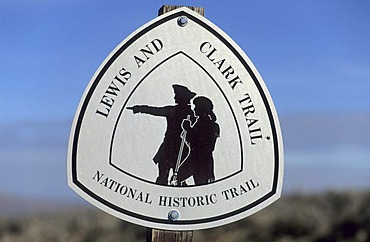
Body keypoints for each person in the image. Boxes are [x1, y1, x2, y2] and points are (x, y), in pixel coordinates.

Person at [128, 85, 196, 185]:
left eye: (176, 95)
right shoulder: (182, 111)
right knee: (166, 174)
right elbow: (155, 110)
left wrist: (139, 108)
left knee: (177, 177)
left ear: (182, 97)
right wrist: (139, 108)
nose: (174, 97)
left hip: (177, 146)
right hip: (169, 146)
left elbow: (155, 111)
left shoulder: (186, 113)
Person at [177, 96, 220, 185]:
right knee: (177, 179)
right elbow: (192, 143)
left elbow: (202, 145)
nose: (194, 109)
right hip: (195, 159)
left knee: (201, 186)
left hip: (202, 161)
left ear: (202, 109)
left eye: (196, 107)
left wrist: (188, 129)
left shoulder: (210, 125)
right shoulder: (199, 123)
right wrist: (188, 130)